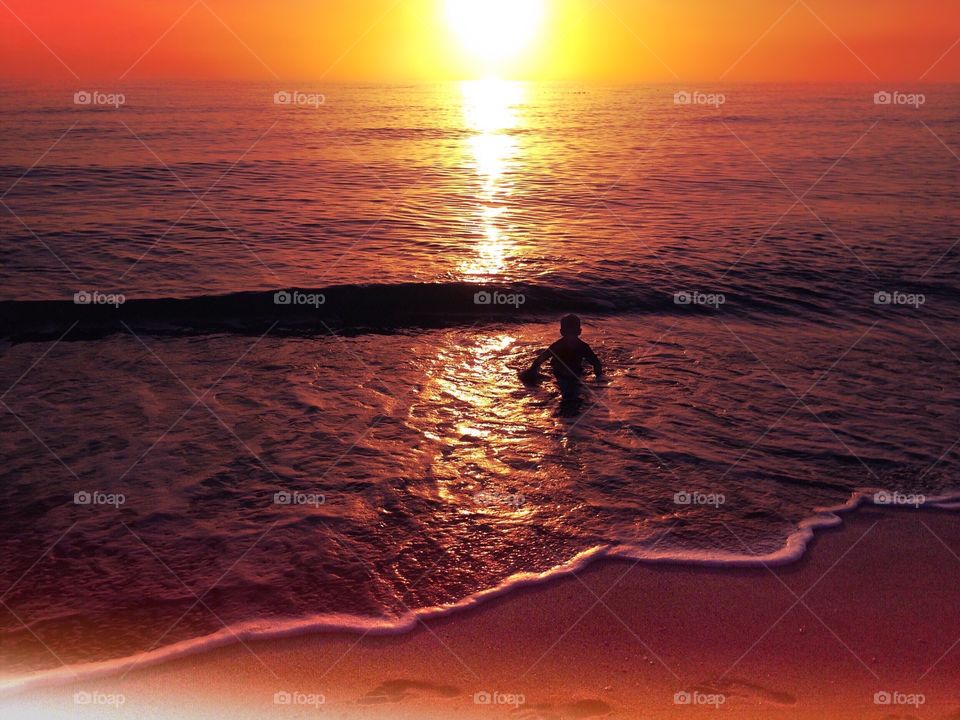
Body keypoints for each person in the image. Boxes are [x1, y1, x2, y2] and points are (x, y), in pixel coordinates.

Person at [522, 315, 603, 412]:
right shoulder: (582, 347)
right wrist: (599, 378)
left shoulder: (560, 345)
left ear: (561, 332)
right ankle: (570, 406)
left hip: (565, 372)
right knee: (572, 391)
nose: (570, 338)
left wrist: (532, 370)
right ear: (579, 331)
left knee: (568, 391)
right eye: (570, 333)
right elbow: (596, 364)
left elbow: (540, 359)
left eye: (571, 333)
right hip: (570, 372)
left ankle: (567, 406)